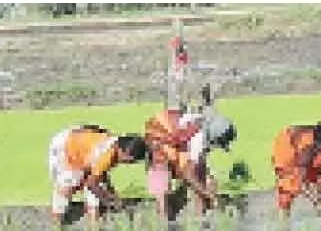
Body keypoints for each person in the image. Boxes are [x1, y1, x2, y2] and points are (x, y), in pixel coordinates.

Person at [144, 86, 238, 219]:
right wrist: (207, 193)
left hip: (175, 139)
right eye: (218, 144)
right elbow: (189, 174)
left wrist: (207, 187)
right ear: (214, 136)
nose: (216, 148)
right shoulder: (198, 138)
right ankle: (165, 219)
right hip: (159, 138)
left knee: (202, 175)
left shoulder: (204, 125)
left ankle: (200, 214)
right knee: (166, 183)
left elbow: (196, 166)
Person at [47, 124, 149, 223]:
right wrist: (110, 201)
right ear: (124, 153)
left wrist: (111, 195)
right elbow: (91, 183)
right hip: (66, 147)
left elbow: (100, 174)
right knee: (68, 187)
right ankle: (57, 226)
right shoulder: (107, 154)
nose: (128, 163)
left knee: (95, 199)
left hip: (84, 149)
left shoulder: (116, 147)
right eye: (129, 161)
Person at [271, 122, 321, 218]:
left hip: (311, 149)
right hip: (288, 146)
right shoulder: (302, 149)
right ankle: (283, 220)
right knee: (288, 187)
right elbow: (301, 182)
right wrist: (316, 200)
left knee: (319, 179)